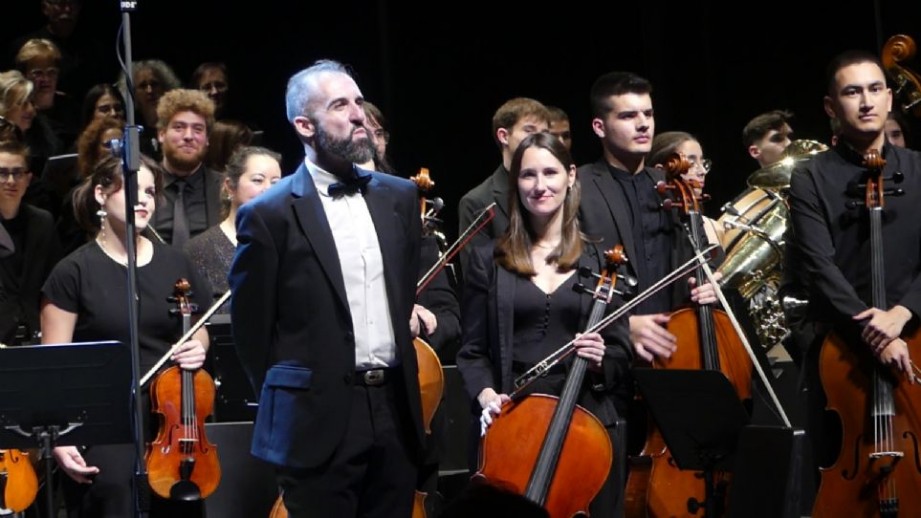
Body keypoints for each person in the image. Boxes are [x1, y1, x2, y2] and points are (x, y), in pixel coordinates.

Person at [228, 59, 424, 517]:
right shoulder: (269, 214)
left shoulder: (399, 197)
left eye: (358, 102)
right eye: (340, 105)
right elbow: (252, 330)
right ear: (304, 125)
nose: (359, 114)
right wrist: (300, 395)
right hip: (315, 420)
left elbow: (403, 294)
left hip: (395, 410)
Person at [457, 131, 632, 518]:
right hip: (512, 422)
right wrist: (486, 396)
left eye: (550, 173)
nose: (540, 186)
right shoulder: (489, 260)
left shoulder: (604, 261)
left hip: (585, 425)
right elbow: (471, 351)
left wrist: (604, 357)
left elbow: (624, 354)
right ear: (515, 182)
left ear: (570, 176)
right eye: (528, 175)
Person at [41, 154, 211, 517]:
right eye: (134, 189)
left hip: (173, 420)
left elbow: (200, 330)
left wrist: (198, 347)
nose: (145, 200)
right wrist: (61, 437)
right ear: (101, 194)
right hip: (104, 422)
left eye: (151, 192)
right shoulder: (73, 272)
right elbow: (54, 363)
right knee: (115, 493)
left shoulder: (176, 263)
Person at [786, 50, 921, 503]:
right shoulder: (809, 177)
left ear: (888, 97)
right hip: (842, 348)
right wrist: (875, 330)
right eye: (852, 92)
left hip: (915, 338)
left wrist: (901, 314)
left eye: (874, 88)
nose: (866, 101)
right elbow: (818, 266)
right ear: (831, 107)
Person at [578, 71, 720, 365]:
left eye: (648, 113)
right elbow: (568, 279)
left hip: (680, 346)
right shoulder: (580, 188)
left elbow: (704, 256)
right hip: (612, 357)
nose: (643, 124)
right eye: (628, 116)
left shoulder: (672, 186)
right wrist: (623, 324)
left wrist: (713, 282)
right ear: (599, 127)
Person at [457, 98, 550, 278]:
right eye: (529, 131)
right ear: (503, 136)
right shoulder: (477, 201)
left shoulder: (556, 190)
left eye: (545, 133)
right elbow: (477, 275)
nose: (539, 140)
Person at [184, 145, 281, 313]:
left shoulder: (290, 243)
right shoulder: (199, 249)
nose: (268, 189)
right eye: (258, 180)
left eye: (275, 183)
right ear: (230, 186)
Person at [0, 137, 61, 346]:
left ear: (28, 179)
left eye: (18, 173)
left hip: (35, 337)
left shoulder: (42, 222)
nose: (10, 181)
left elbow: (53, 282)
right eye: (2, 173)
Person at [149, 89, 223, 247]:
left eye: (198, 129)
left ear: (207, 139)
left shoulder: (225, 188)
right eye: (179, 127)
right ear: (161, 134)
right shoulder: (140, 186)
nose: (189, 136)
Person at [648, 131, 723, 247]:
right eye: (691, 163)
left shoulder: (714, 228)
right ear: (660, 171)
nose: (702, 171)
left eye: (703, 163)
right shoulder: (650, 229)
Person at [116, 59, 182, 160]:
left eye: (154, 84)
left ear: (165, 88)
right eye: (143, 86)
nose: (149, 91)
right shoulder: (131, 131)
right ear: (133, 93)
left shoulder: (179, 123)